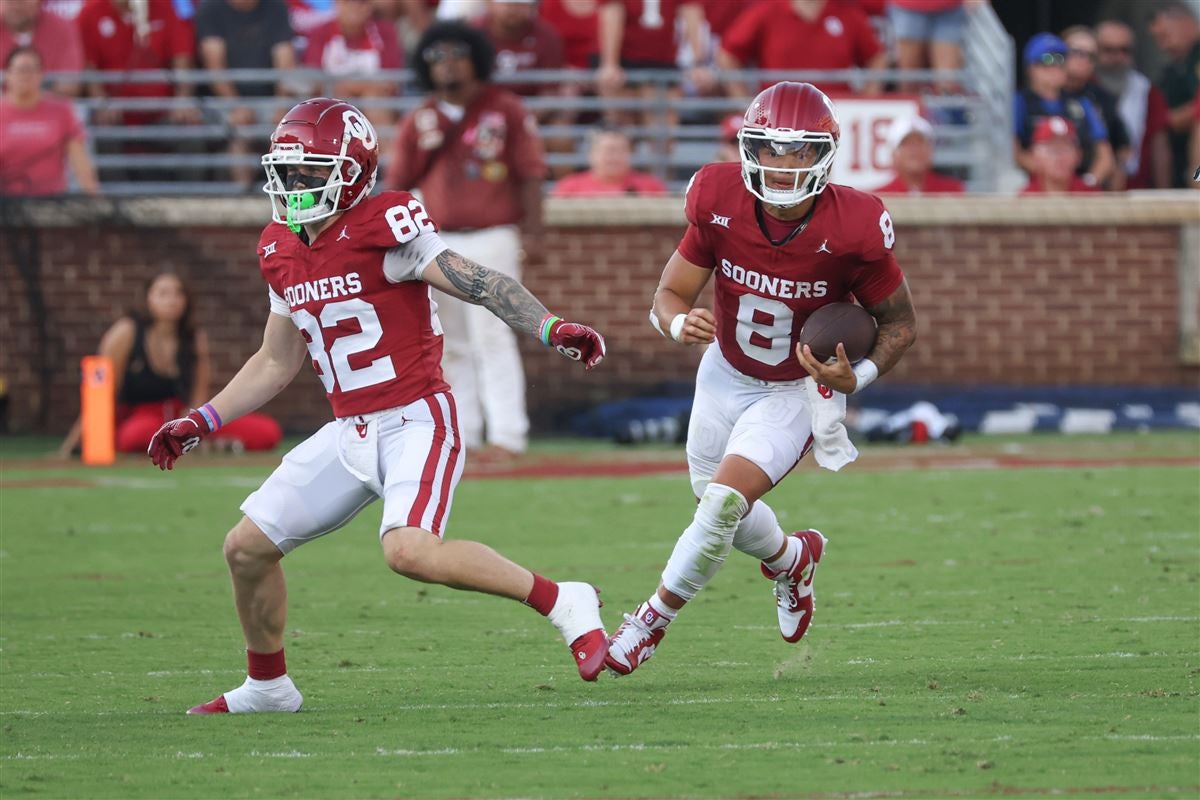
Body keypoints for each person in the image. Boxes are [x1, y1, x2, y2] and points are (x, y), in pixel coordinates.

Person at [148, 97, 609, 714]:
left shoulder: (385, 226)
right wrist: (201, 419)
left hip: (417, 417)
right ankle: (269, 686)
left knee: (408, 551)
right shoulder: (279, 247)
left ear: (352, 171)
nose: (296, 183)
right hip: (348, 429)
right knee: (245, 548)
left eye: (311, 169)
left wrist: (551, 327)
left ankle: (563, 600)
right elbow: (276, 360)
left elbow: (481, 282)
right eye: (288, 170)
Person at [605, 82, 917, 676]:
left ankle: (650, 621)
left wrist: (861, 376)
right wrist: (676, 326)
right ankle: (793, 558)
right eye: (770, 148)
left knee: (722, 503)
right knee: (714, 501)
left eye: (799, 151)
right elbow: (668, 294)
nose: (781, 165)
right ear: (748, 147)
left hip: (795, 388)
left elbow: (899, 324)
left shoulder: (855, 222)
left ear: (824, 154)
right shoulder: (716, 197)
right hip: (723, 371)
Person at [387, 21, 545, 459]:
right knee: (448, 339)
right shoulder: (420, 117)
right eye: (437, 56)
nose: (448, 64)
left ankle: (507, 436)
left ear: (475, 57)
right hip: (435, 240)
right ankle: (465, 433)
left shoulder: (505, 109)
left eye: (456, 53)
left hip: (492, 233)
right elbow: (399, 181)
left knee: (493, 333)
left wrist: (534, 234)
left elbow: (531, 173)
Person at [58, 272, 281, 458]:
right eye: (162, 294)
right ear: (147, 298)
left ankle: (197, 443)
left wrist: (194, 420)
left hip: (182, 416)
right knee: (134, 436)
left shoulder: (193, 337)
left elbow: (200, 392)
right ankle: (198, 446)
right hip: (143, 417)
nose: (171, 300)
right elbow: (101, 394)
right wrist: (74, 442)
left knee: (267, 432)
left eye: (178, 293)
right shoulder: (126, 332)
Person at [196, 0, 298, 189]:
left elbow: (285, 62)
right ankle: (242, 199)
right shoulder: (211, 9)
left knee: (291, 131)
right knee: (240, 128)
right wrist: (236, 106)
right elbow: (214, 67)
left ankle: (286, 198)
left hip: (269, 99)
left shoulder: (276, 8)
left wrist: (282, 106)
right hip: (222, 101)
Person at [717, 0, 887, 98]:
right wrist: (745, 104)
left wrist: (866, 99)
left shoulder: (847, 13)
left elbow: (877, 58)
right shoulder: (767, 11)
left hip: (834, 122)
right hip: (778, 121)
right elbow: (727, 55)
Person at [1013, 33, 1113, 189]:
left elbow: (1105, 155)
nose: (1055, 67)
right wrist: (1053, 175)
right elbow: (1015, 152)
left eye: (1061, 59)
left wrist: (1088, 182)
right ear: (1031, 67)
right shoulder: (1019, 102)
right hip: (1036, 186)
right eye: (1047, 59)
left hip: (1078, 187)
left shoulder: (1082, 102)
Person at [0, 46, 98, 197]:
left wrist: (97, 203)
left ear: (41, 75)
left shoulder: (61, 110)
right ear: (8, 75)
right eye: (20, 70)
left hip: (51, 203)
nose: (26, 76)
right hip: (6, 204)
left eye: (31, 70)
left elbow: (81, 165)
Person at [303, 0, 404, 141]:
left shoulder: (386, 32)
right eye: (348, 2)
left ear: (371, 6)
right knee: (339, 97)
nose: (354, 7)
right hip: (331, 104)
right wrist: (354, 87)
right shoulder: (319, 33)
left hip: (375, 105)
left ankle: (384, 159)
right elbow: (313, 80)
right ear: (336, 4)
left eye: (361, 2)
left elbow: (392, 81)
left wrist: (352, 86)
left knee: (374, 99)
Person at [1094, 19, 1172, 190]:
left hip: (1136, 191)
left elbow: (1159, 147)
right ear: (1095, 51)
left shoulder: (1147, 91)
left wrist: (1164, 192)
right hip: (1088, 191)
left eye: (1124, 50)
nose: (1117, 57)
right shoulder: (1083, 89)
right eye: (1109, 50)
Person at [1061, 25, 1130, 190]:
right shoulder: (1045, 94)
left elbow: (1122, 147)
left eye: (1091, 56)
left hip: (1092, 187)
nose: (1083, 60)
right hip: (1044, 190)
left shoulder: (1103, 99)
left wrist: (1087, 184)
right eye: (1077, 52)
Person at [1149, 2, 1200, 188]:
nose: (1162, 44)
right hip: (1181, 160)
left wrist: (1167, 120)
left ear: (1186, 23)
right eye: (1158, 38)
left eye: (1165, 35)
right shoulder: (1171, 71)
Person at [550, 127, 667, 196]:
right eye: (608, 150)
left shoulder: (651, 188)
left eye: (620, 150)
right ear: (591, 155)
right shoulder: (569, 189)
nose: (613, 157)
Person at [0, 0, 83, 95]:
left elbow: (68, 86)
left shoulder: (63, 29)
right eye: (10, 1)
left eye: (22, 1)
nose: (16, 5)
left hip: (51, 107)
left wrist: (30, 101)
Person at [887, 0, 966, 94]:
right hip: (908, 7)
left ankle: (944, 106)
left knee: (948, 81)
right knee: (910, 78)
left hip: (949, 8)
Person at [874, 114, 965, 195]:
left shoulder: (952, 191)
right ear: (894, 154)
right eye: (907, 144)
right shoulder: (882, 197)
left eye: (920, 143)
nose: (914, 150)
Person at [1020, 116, 1098, 195]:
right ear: (1035, 156)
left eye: (1066, 148)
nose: (1060, 157)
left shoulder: (1090, 195)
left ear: (1078, 155)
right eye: (1052, 150)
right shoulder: (1026, 197)